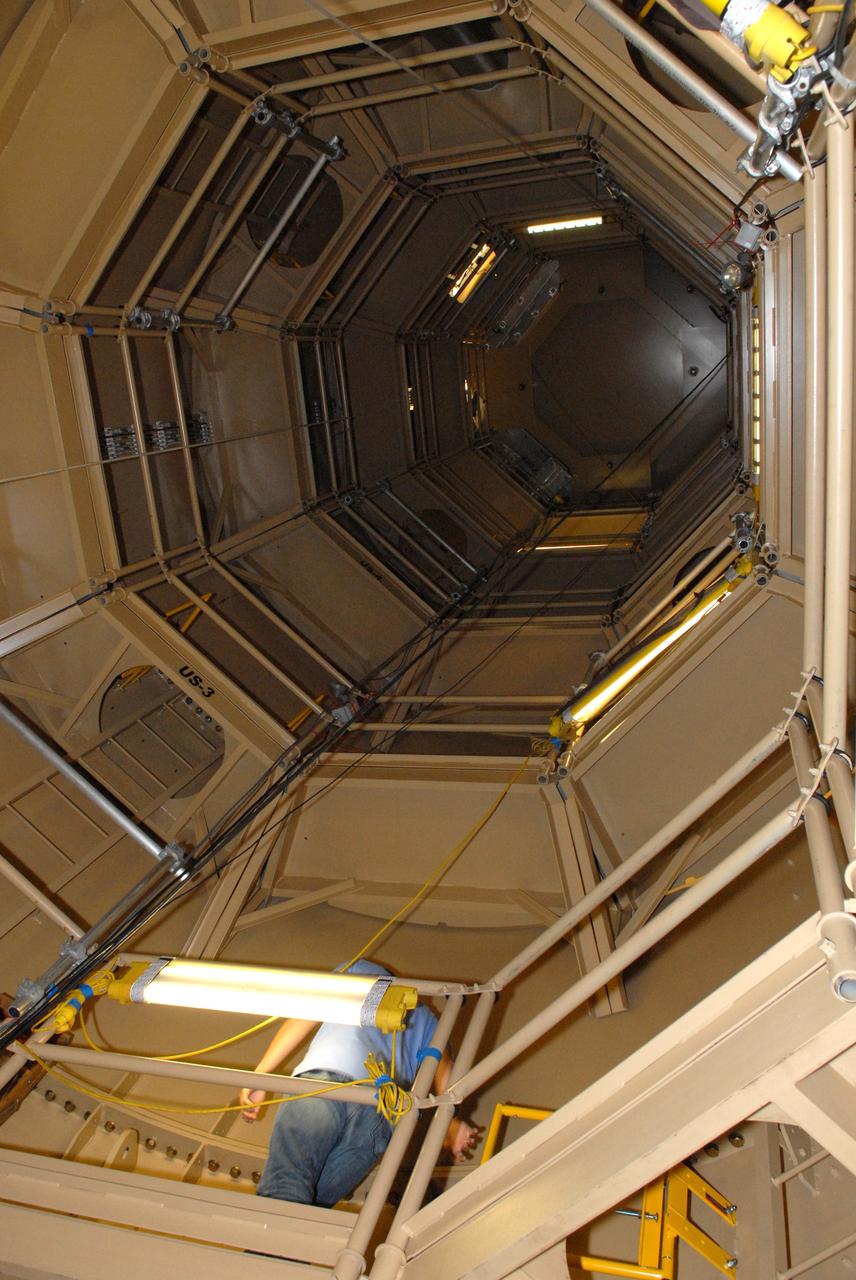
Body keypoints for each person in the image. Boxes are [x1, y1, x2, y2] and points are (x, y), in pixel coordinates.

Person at [239, 959, 479, 1207]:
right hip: (378, 1116)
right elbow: (444, 1072)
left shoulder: (361, 971)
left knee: (286, 1185)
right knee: (313, 1207)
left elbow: (305, 1017)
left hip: (325, 1084)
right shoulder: (429, 1022)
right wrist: (452, 1122)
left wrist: (261, 1074)